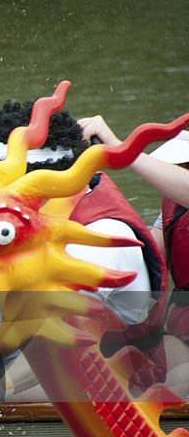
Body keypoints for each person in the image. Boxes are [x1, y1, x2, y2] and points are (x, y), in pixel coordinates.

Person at [0, 100, 167, 421]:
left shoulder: (102, 236)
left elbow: (53, 331)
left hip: (115, 381)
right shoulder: (39, 210)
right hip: (33, 358)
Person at [80, 117, 189, 396]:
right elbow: (148, 258)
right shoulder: (170, 211)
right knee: (149, 375)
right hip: (182, 326)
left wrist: (119, 147)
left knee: (180, 382)